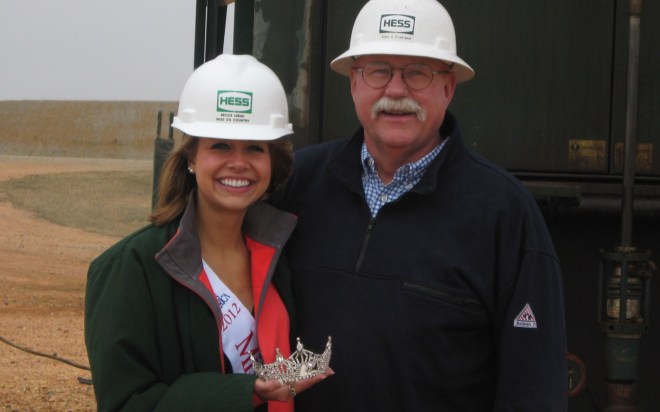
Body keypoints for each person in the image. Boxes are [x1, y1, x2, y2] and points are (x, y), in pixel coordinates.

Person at [270, 0, 567, 410]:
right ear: (353, 82)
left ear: (448, 86)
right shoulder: (297, 183)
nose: (395, 90)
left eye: (417, 72)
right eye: (378, 70)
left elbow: (533, 384)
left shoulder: (503, 212)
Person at [84, 54, 331, 412]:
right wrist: (249, 391)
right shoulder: (131, 267)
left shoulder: (283, 254)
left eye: (254, 148)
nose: (238, 163)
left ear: (271, 163)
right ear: (191, 157)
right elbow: (127, 402)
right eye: (220, 145)